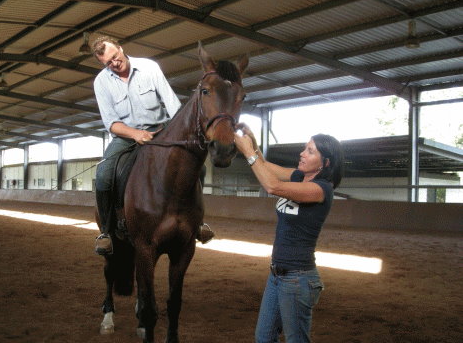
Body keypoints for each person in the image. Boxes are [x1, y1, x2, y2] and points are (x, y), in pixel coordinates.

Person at [92, 36, 214, 255]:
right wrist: (135, 134)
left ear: (120, 49)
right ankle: (107, 232)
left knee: (199, 167)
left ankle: (197, 222)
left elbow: (173, 105)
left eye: (115, 57)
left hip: (161, 131)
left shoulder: (149, 67)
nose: (114, 64)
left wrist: (173, 132)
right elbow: (111, 123)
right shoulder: (101, 82)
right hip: (126, 137)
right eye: (108, 63)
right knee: (103, 175)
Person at [234, 124, 344, 343]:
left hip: (298, 278)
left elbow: (272, 186)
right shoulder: (298, 176)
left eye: (310, 151)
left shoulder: (320, 189)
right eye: (304, 148)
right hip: (277, 275)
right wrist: (252, 141)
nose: (302, 154)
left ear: (325, 163)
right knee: (264, 338)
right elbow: (263, 165)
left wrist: (247, 152)